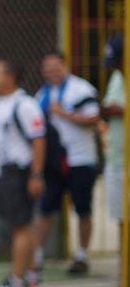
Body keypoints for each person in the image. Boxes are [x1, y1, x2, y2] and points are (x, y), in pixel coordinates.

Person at [0, 59, 46, 287]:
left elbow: (39, 140)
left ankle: (17, 281)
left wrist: (36, 175)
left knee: (21, 226)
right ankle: (30, 274)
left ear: (10, 76)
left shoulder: (25, 104)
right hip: (2, 173)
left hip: (19, 173)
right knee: (18, 225)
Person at [34, 51, 101, 275]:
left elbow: (94, 118)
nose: (52, 72)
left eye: (56, 67)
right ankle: (37, 256)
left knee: (83, 209)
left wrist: (64, 114)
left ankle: (82, 255)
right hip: (53, 163)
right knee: (46, 209)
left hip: (80, 159)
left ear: (65, 66)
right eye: (47, 68)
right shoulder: (42, 94)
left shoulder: (81, 89)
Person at [101, 35, 125, 287]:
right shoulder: (117, 77)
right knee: (122, 223)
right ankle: (124, 281)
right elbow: (109, 108)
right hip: (116, 160)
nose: (116, 67)